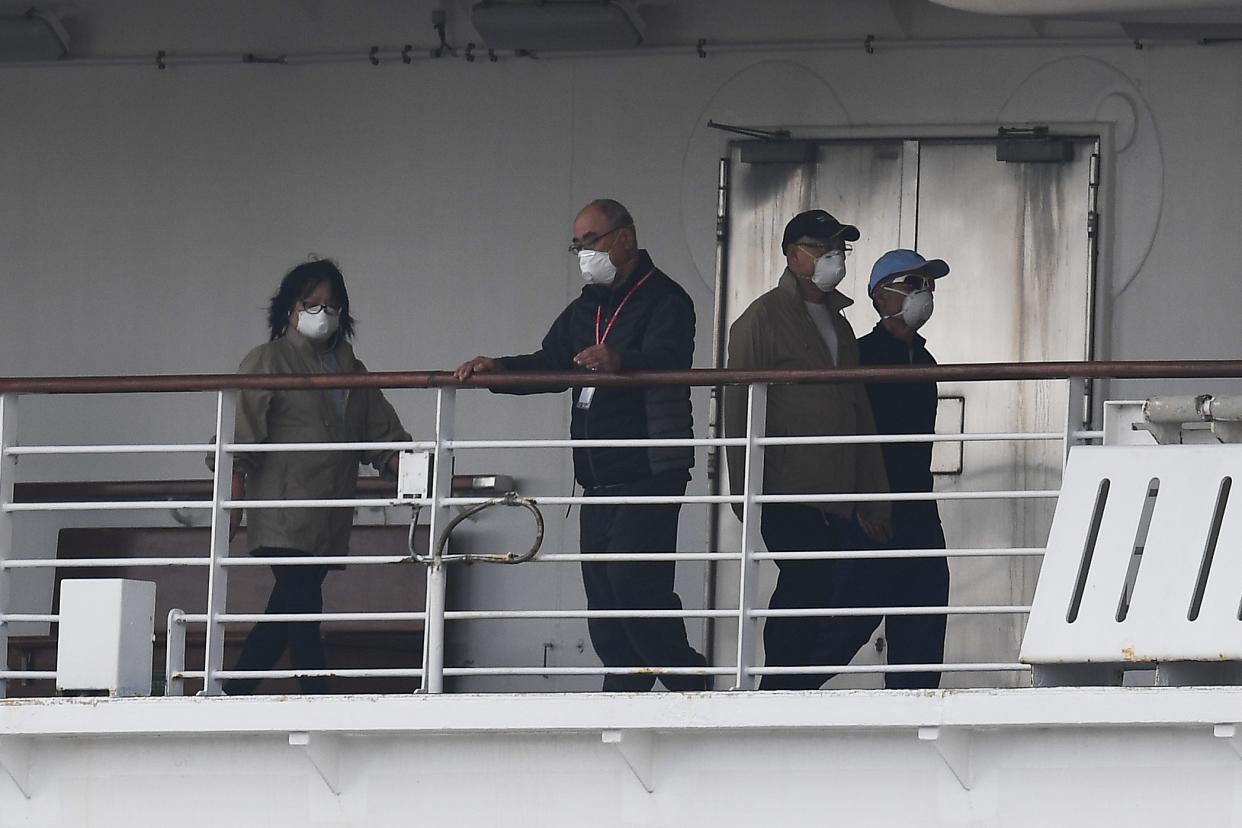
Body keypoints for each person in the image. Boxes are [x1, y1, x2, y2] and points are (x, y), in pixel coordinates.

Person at [454, 198, 708, 692]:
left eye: (589, 242)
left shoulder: (667, 300)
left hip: (649, 469)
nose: (582, 253)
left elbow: (671, 359)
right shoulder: (584, 308)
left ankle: (689, 685)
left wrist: (621, 360)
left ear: (624, 239)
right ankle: (627, 693)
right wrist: (498, 370)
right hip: (598, 479)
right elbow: (550, 363)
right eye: (577, 244)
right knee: (605, 602)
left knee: (637, 589)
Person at [220, 259, 411, 695]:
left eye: (331, 304)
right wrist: (232, 496)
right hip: (282, 508)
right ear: (289, 309)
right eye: (311, 303)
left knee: (283, 615)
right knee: (304, 606)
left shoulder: (351, 369)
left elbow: (380, 433)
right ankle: (317, 695)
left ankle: (232, 694)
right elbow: (240, 433)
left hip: (328, 514)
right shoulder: (268, 360)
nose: (321, 313)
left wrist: (415, 472)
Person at [724, 209, 891, 691]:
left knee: (848, 591)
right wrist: (746, 491)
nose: (833, 258)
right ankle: (781, 689)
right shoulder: (760, 319)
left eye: (840, 248)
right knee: (806, 583)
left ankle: (794, 685)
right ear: (792, 255)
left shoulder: (839, 324)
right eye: (822, 248)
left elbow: (858, 412)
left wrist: (873, 495)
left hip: (840, 493)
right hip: (787, 489)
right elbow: (741, 410)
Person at [854, 248, 951, 689]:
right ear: (881, 297)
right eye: (913, 284)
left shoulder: (925, 361)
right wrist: (863, 501)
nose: (924, 293)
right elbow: (848, 436)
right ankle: (783, 696)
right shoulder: (860, 358)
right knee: (848, 620)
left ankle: (914, 713)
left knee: (926, 609)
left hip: (917, 503)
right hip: (874, 507)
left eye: (928, 284)